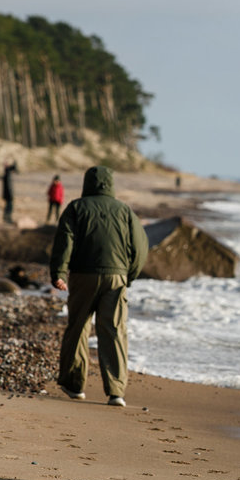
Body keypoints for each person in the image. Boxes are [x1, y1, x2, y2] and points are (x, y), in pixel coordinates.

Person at [50, 166, 149, 408]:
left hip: (83, 275)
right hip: (116, 276)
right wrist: (129, 276)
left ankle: (75, 386)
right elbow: (140, 247)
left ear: (87, 183)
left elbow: (65, 241)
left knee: (78, 328)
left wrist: (59, 273)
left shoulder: (76, 208)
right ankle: (116, 392)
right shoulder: (124, 210)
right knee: (114, 331)